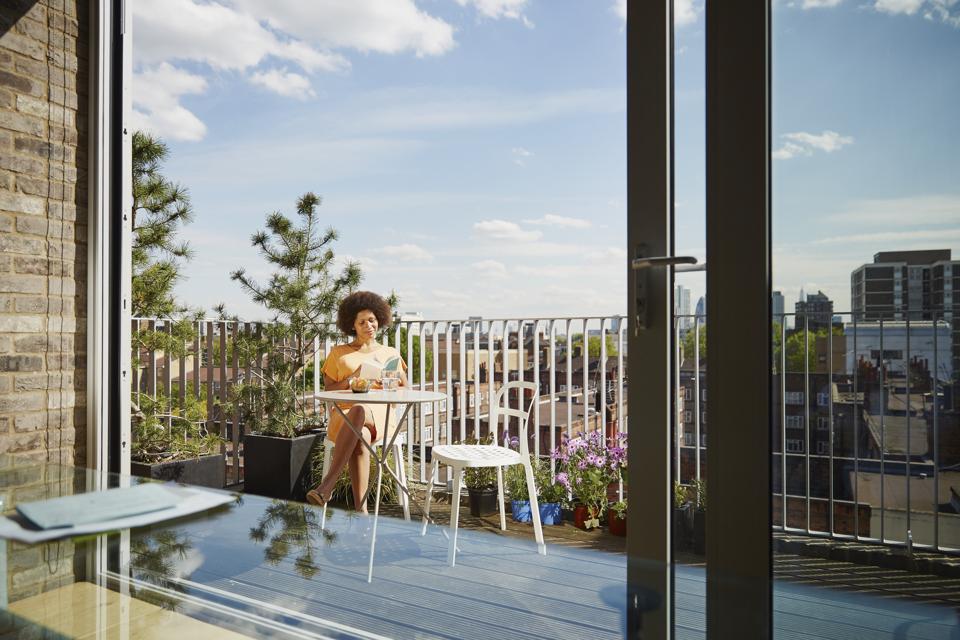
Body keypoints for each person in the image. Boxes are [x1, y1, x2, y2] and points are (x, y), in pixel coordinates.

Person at [306, 291, 407, 512]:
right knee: (359, 431)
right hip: (343, 416)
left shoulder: (390, 353)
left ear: (379, 320)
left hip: (381, 415)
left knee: (361, 410)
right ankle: (362, 513)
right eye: (362, 322)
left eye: (372, 320)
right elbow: (329, 389)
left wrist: (391, 381)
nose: (368, 325)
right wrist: (354, 379)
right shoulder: (339, 354)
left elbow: (404, 390)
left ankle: (326, 488)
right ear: (352, 325)